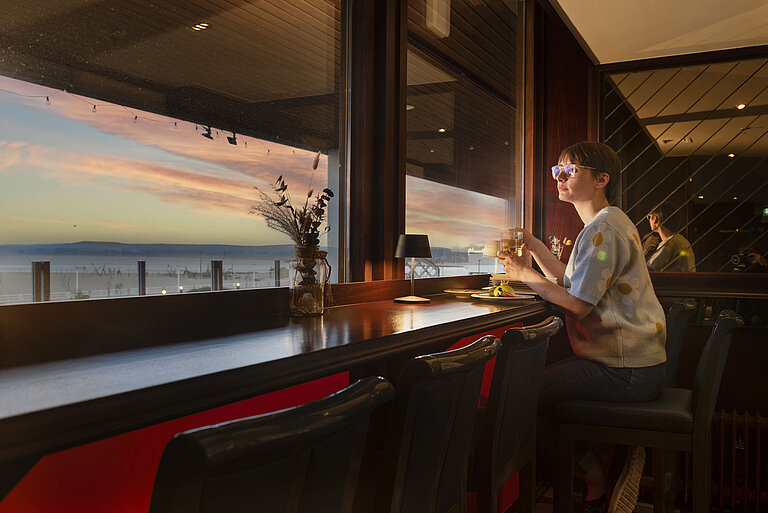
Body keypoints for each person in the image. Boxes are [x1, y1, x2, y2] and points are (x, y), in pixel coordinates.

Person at [498, 142, 667, 513]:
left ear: (601, 179)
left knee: (517, 392)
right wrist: (535, 246)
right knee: (526, 389)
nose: (560, 177)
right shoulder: (606, 223)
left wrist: (523, 273)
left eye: (571, 170)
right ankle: (600, 464)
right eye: (557, 170)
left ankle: (592, 474)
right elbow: (574, 283)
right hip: (638, 364)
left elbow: (576, 304)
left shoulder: (603, 228)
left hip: (626, 371)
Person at [645, 202, 696, 272]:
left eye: (649, 217)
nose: (649, 220)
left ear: (655, 219)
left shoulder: (669, 243)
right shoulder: (681, 239)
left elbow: (648, 269)